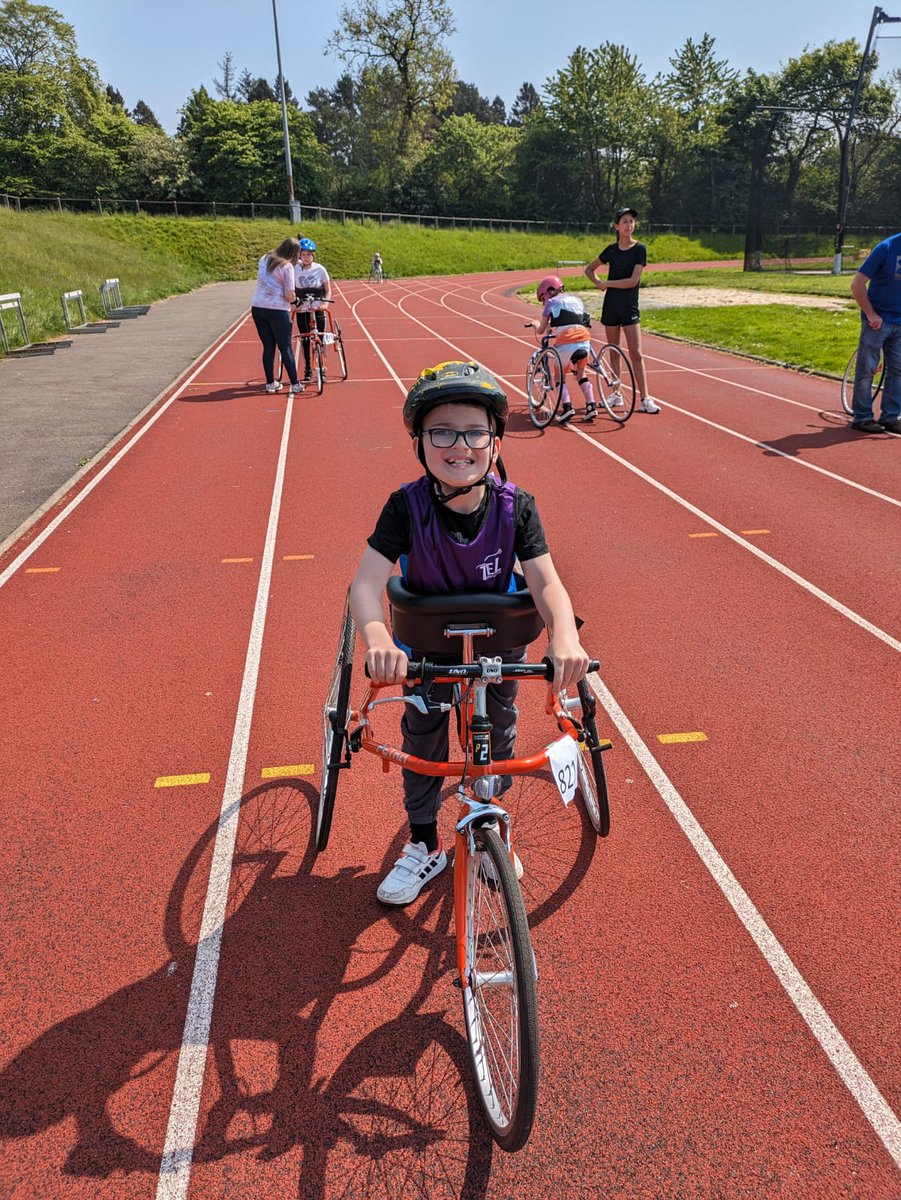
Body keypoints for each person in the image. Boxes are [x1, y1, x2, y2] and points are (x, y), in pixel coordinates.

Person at [350, 361, 591, 905]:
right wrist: (378, 639)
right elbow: (365, 585)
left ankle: (491, 821)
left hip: (496, 639)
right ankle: (423, 841)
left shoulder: (517, 507)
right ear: (420, 441)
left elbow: (547, 581)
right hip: (427, 645)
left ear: (496, 441)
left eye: (475, 431)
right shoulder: (404, 506)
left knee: (499, 726)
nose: (459, 445)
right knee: (425, 732)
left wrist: (563, 637)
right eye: (441, 431)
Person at [585, 207, 661, 414]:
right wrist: (598, 283)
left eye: (631, 221)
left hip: (629, 307)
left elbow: (632, 281)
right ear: (617, 226)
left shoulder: (640, 250)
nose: (629, 225)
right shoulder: (610, 250)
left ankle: (645, 398)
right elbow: (589, 269)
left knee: (636, 353)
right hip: (611, 306)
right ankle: (616, 393)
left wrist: (607, 282)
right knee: (614, 352)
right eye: (625, 222)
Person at [848, 230, 901, 434]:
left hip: (899, 321)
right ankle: (862, 417)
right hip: (877, 322)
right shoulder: (886, 248)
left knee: (898, 371)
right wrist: (871, 314)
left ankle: (891, 416)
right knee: (867, 368)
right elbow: (857, 283)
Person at [526, 274, 597, 423]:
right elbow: (570, 319)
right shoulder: (576, 300)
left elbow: (541, 330)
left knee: (559, 376)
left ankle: (567, 407)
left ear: (548, 292)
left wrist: (534, 324)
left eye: (542, 298)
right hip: (585, 341)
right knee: (581, 374)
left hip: (567, 343)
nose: (543, 302)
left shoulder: (551, 303)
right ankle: (591, 405)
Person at [250, 238, 304, 395]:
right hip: (278, 309)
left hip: (258, 307)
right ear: (294, 254)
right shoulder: (287, 266)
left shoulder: (265, 258)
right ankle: (295, 384)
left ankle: (270, 383)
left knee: (268, 346)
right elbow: (289, 294)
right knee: (285, 347)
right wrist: (296, 300)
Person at [293, 237, 332, 382]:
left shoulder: (320, 269)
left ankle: (322, 367)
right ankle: (308, 368)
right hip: (302, 309)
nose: (306, 257)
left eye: (309, 254)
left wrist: (325, 305)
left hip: (318, 308)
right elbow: (290, 289)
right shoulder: (294, 270)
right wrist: (293, 303)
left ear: (313, 255)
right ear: (299, 255)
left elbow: (328, 290)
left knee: (320, 337)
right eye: (303, 254)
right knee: (305, 339)